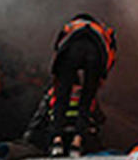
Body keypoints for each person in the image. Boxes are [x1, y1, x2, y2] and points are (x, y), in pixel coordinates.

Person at [27, 14, 117, 152]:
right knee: (86, 100)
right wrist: (100, 77)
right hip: (95, 54)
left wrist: (58, 77)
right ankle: (77, 142)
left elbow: (59, 50)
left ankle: (57, 141)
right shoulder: (103, 30)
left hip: (71, 52)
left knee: (61, 97)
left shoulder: (71, 27)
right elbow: (111, 55)